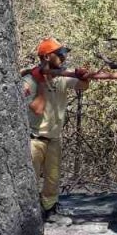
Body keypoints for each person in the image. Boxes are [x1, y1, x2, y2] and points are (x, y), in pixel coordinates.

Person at [21, 37, 89, 220]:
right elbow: (37, 108)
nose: (64, 58)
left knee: (53, 178)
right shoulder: (29, 81)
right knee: (30, 179)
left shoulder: (62, 77)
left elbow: (82, 86)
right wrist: (42, 81)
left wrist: (84, 76)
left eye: (64, 53)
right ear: (46, 57)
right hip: (33, 139)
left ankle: (49, 209)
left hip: (54, 137)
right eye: (60, 54)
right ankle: (29, 214)